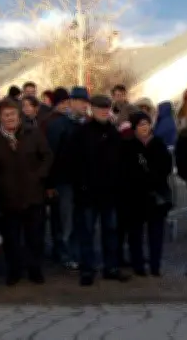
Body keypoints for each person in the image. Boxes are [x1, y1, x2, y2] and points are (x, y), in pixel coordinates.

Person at [0, 98, 52, 286]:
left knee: (35, 237)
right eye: (6, 115)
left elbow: (47, 156)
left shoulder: (33, 134)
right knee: (11, 238)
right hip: (7, 197)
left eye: (13, 114)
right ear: (0, 117)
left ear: (19, 115)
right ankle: (14, 271)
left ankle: (35, 270)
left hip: (32, 195)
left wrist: (38, 176)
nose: (10, 118)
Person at [70, 95, 130, 285]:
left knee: (111, 232)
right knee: (87, 232)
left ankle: (110, 268)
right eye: (101, 108)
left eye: (107, 108)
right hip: (88, 193)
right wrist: (81, 186)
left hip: (109, 194)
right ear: (92, 109)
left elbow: (120, 163)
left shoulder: (113, 133)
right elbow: (74, 163)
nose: (105, 111)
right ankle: (87, 269)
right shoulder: (81, 133)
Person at [120, 111, 173, 277]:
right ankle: (138, 265)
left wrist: (152, 179)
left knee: (156, 233)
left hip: (156, 196)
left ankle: (155, 265)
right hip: (135, 197)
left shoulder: (158, 144)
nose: (144, 127)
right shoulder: (129, 146)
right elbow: (126, 171)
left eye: (147, 124)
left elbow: (166, 167)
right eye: (141, 124)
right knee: (135, 234)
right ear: (134, 127)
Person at [42, 87, 79, 270]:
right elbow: (51, 155)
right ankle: (63, 253)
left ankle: (68, 252)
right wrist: (49, 182)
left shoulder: (81, 124)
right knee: (64, 220)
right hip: (62, 180)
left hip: (77, 180)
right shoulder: (55, 125)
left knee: (70, 219)